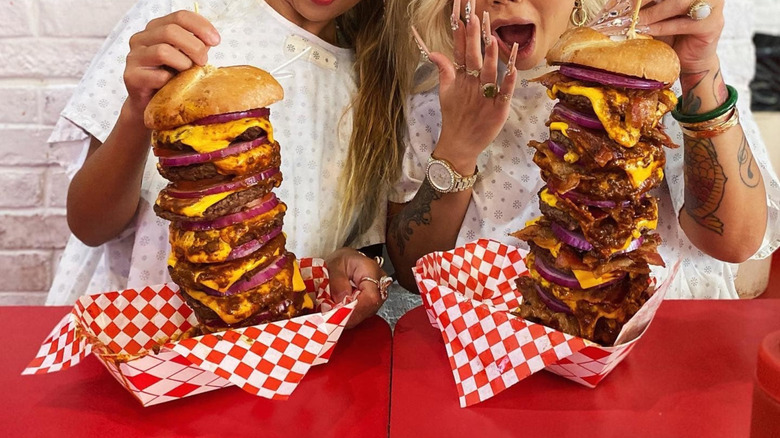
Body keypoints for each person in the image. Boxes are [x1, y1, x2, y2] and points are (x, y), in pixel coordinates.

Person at [46, 0, 409, 327]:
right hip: (145, 335)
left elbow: (343, 240)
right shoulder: (187, 22)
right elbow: (89, 225)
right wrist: (136, 112)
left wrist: (339, 265)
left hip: (274, 352)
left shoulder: (371, 85)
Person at [387, 0, 780, 299]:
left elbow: (737, 244)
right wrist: (456, 147)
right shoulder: (435, 99)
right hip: (496, 356)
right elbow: (413, 272)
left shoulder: (648, 77)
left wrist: (699, 67)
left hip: (656, 350)